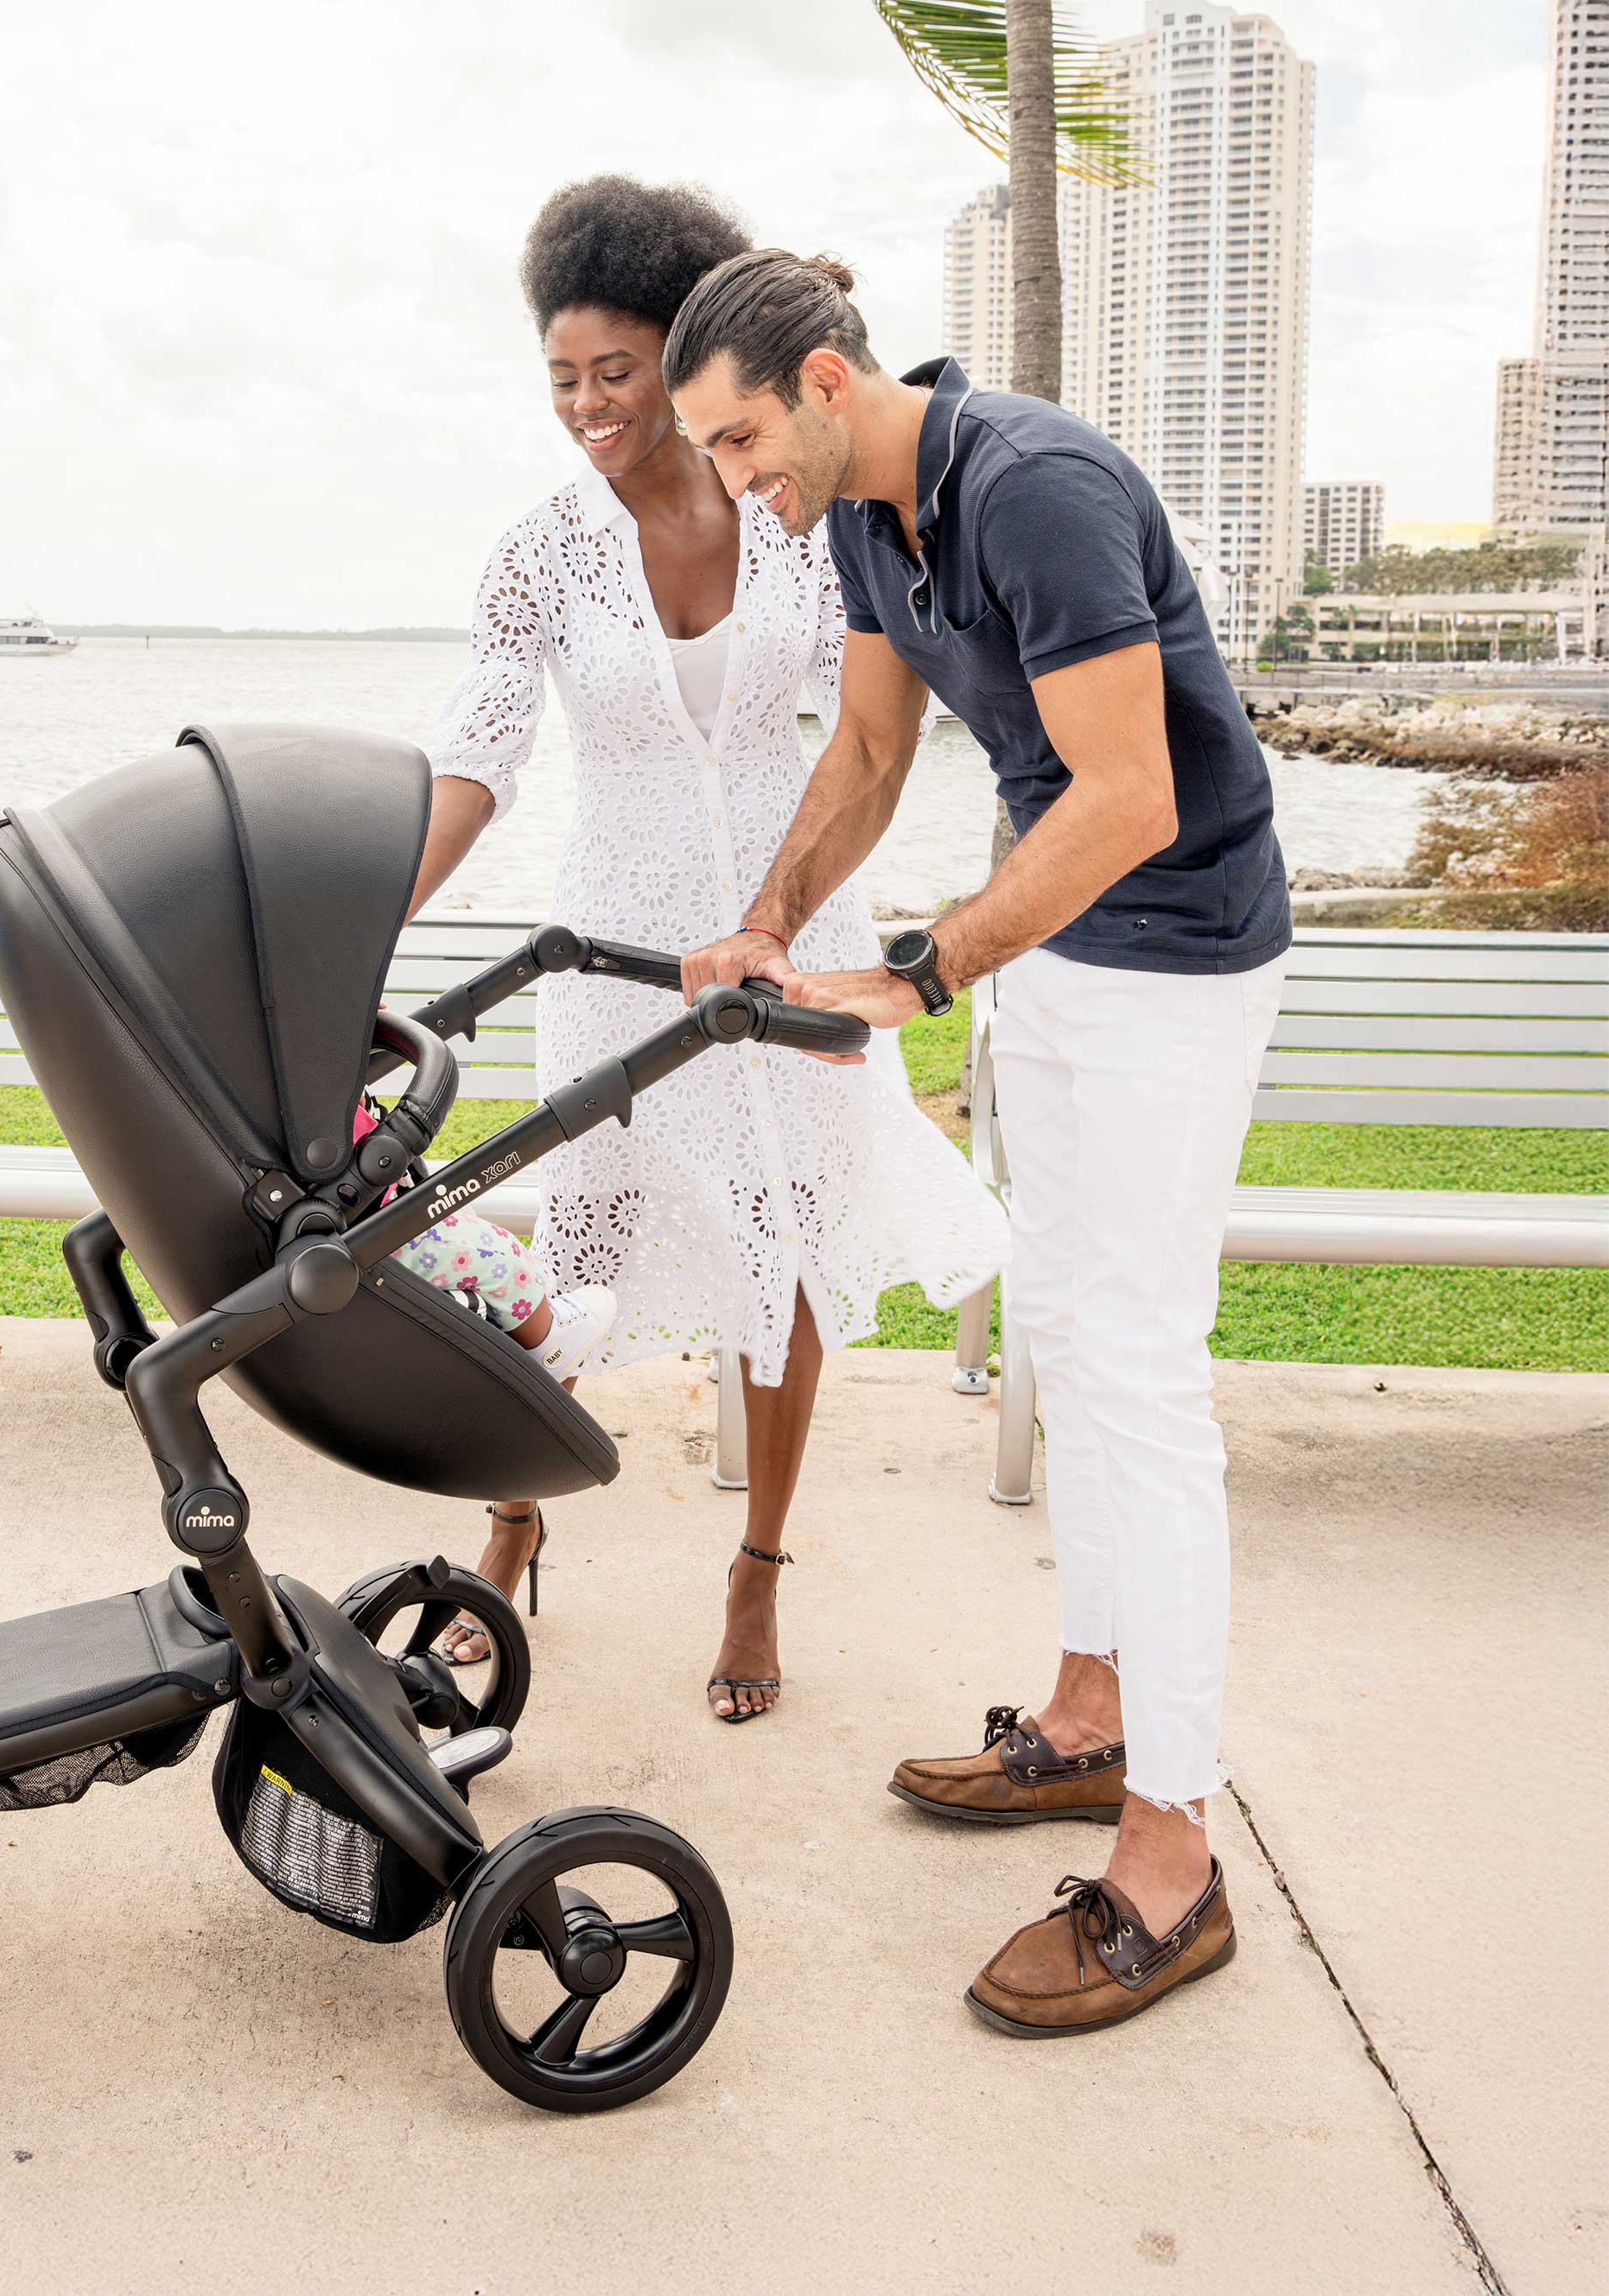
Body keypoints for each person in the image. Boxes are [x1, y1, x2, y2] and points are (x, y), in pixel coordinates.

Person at [663, 248, 1291, 2032]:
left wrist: (922, 968)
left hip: (1178, 959)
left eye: (738, 440)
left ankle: (1170, 1854)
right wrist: (767, 914)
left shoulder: (1033, 489)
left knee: (1139, 1377)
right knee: (1063, 1340)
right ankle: (1092, 1715)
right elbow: (869, 751)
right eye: (709, 457)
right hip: (1066, 952)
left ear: (825, 379)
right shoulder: (873, 520)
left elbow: (1130, 793)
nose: (733, 483)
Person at [411, 180, 1005, 1720]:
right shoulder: (538, 554)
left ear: (681, 355)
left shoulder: (801, 516)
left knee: (783, 1245)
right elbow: (478, 752)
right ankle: (512, 1523)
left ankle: (756, 1569)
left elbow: (875, 729)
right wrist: (379, 900)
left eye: (614, 370)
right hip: (610, 945)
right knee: (574, 1248)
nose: (588, 406)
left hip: (789, 929)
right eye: (561, 377)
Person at [362, 1097, 616, 1377]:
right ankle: (548, 1345)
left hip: (375, 1211)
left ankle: (535, 1303)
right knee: (497, 1259)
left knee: (468, 1229)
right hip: (381, 1236)